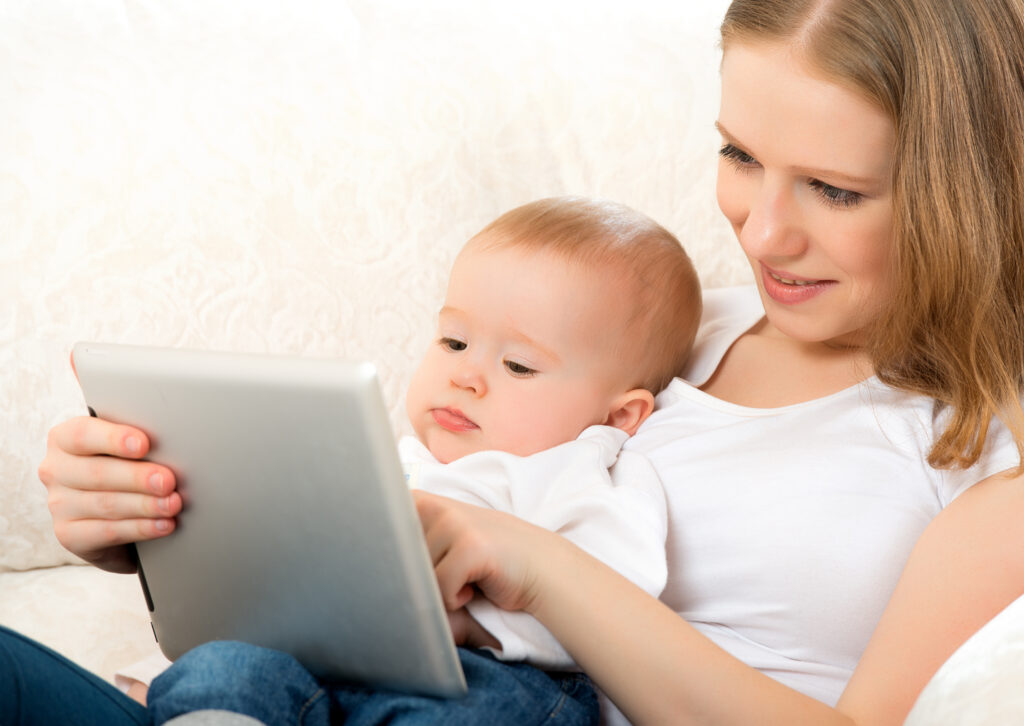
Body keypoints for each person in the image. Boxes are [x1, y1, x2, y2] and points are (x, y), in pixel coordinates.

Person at [7, 0, 1024, 724]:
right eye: (738, 155)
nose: (761, 234)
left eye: (834, 192)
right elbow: (420, 496)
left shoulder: (982, 456)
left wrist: (537, 566)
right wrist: (158, 522)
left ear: (964, 189)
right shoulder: (655, 326)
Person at [18, 197, 701, 726]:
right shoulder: (384, 460)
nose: (467, 377)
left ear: (620, 416)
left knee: (484, 711)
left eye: (518, 364)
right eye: (454, 341)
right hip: (324, 664)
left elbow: (616, 600)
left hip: (480, 679)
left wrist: (470, 621)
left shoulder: (590, 471)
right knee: (232, 662)